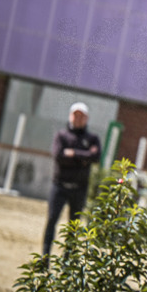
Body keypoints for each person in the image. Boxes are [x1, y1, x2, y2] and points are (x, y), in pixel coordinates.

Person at [42, 102, 101, 257]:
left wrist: (73, 154)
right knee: (52, 220)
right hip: (59, 186)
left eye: (82, 116)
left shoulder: (92, 138)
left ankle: (67, 261)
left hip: (79, 188)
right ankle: (45, 257)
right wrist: (83, 157)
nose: (78, 119)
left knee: (73, 226)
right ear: (70, 116)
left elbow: (95, 157)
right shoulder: (61, 136)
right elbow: (59, 156)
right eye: (76, 115)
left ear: (87, 118)